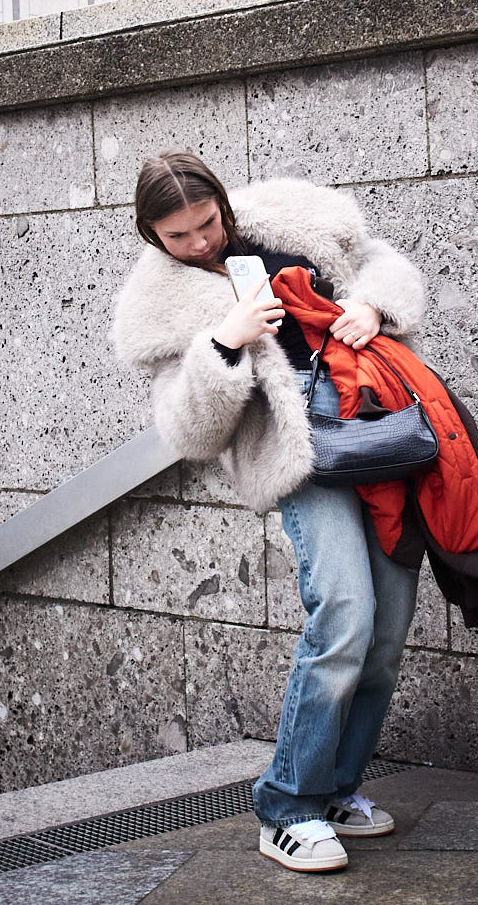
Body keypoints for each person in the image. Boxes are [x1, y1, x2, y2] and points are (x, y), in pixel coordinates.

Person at [113, 151, 426, 873]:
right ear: (151, 235)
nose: (200, 243)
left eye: (207, 223)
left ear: (223, 203)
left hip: (377, 434)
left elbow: (386, 264)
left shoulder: (295, 222)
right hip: (298, 459)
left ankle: (340, 789)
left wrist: (370, 306)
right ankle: (287, 808)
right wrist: (226, 342)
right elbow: (190, 433)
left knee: (387, 628)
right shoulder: (163, 306)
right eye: (179, 236)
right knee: (344, 611)